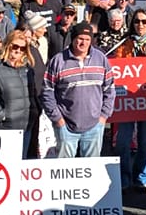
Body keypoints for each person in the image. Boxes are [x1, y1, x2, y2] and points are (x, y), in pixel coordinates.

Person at [110, 9, 146, 191]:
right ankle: (124, 179)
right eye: (136, 22)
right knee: (123, 142)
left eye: (144, 22)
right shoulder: (124, 44)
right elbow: (116, 70)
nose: (140, 25)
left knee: (145, 142)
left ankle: (142, 177)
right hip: (127, 103)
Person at [41, 23, 115, 158]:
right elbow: (47, 91)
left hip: (95, 125)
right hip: (66, 126)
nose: (83, 43)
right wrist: (58, 119)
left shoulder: (101, 58)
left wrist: (103, 116)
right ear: (73, 38)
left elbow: (109, 89)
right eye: (80, 38)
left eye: (87, 39)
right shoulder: (58, 61)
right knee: (64, 171)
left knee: (91, 170)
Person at [0, 31, 39, 157]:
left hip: (25, 126)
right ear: (7, 44)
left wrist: (34, 112)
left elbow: (32, 94)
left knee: (19, 166)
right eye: (14, 46)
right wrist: (0, 116)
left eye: (22, 48)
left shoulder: (27, 68)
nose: (17, 50)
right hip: (2, 129)